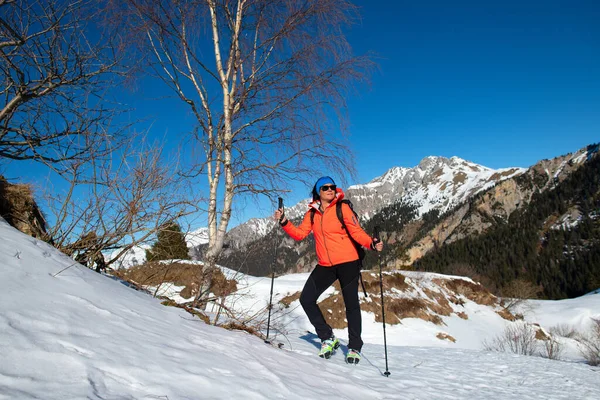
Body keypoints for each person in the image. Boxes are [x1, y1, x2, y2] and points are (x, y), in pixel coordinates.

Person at [274, 176, 383, 364]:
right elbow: (300, 234)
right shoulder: (312, 213)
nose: (330, 189)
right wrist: (284, 221)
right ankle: (327, 337)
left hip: (348, 262)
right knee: (306, 299)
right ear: (318, 192)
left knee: (352, 306)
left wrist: (371, 244)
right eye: (325, 188)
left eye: (332, 187)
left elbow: (356, 232)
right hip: (325, 265)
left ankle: (354, 347)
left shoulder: (343, 208)